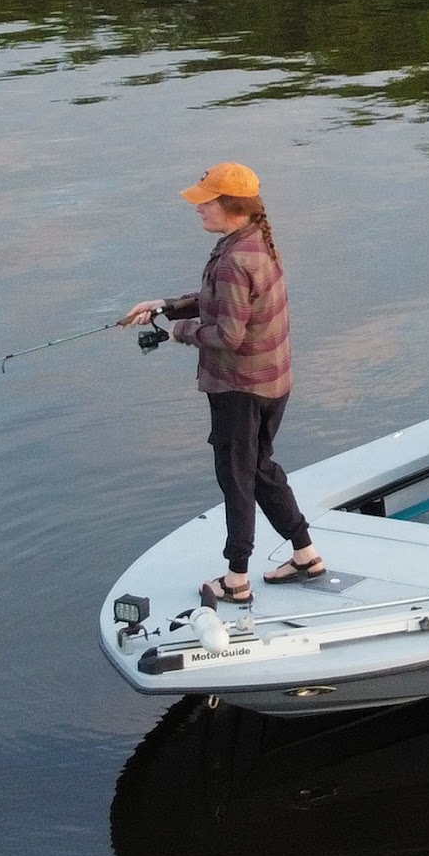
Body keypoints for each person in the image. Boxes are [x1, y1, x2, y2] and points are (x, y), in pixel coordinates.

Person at [123, 162, 315, 604]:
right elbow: (224, 304)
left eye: (204, 202)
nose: (198, 209)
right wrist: (165, 306)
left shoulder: (233, 259)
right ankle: (305, 554)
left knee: (236, 477)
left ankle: (237, 579)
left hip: (240, 388)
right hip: (272, 381)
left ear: (230, 206)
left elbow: (227, 335)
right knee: (259, 466)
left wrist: (176, 332)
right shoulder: (256, 244)